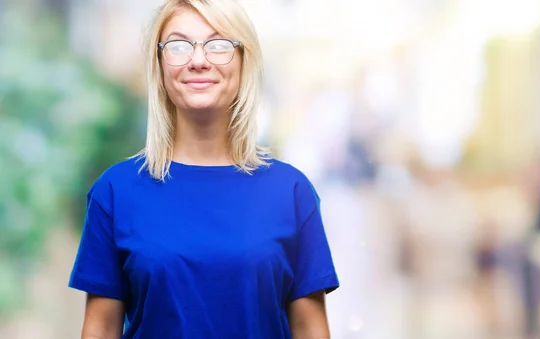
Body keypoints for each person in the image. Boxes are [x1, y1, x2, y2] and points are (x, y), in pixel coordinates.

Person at [68, 0, 340, 338]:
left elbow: (310, 330)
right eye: (179, 46)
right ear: (160, 64)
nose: (198, 60)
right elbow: (101, 330)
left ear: (244, 61)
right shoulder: (115, 192)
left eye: (219, 45)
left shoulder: (291, 192)